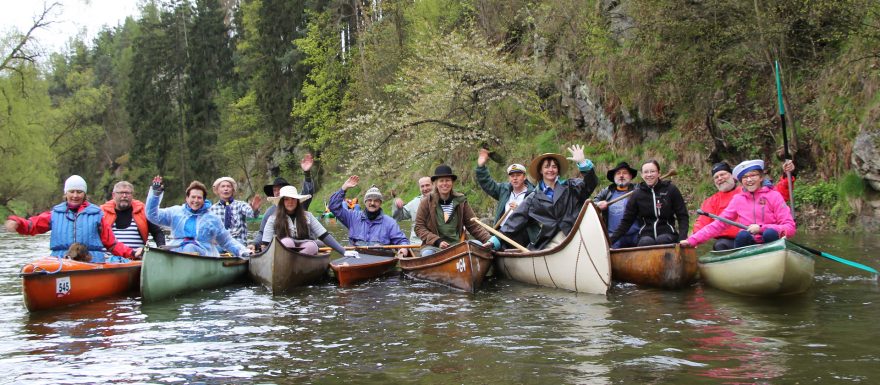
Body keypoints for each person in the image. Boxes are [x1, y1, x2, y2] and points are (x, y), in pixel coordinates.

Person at [4, 175, 141, 263]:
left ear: (84, 194)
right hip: (61, 262)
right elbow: (31, 225)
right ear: (66, 193)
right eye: (72, 191)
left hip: (91, 263)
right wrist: (16, 221)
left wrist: (133, 253)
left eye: (79, 192)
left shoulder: (97, 215)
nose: (75, 195)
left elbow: (112, 244)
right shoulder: (55, 214)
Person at [494, 144, 599, 250]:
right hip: (549, 243)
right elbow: (515, 220)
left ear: (558, 170)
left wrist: (583, 163)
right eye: (547, 166)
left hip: (576, 236)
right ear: (541, 171)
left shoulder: (571, 187)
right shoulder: (532, 198)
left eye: (554, 166)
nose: (551, 170)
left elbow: (590, 184)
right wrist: (496, 239)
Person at [682, 159, 796, 249]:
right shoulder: (737, 200)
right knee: (741, 236)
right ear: (741, 182)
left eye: (753, 175)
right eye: (745, 177)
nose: (749, 180)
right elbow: (717, 225)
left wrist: (761, 228)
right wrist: (692, 241)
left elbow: (790, 227)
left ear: (761, 177)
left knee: (769, 233)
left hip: (770, 240)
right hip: (745, 242)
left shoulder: (773, 195)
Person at [146, 176, 249, 257]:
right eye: (193, 197)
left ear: (204, 200)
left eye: (199, 198)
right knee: (161, 250)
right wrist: (156, 193)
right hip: (177, 250)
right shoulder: (175, 212)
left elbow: (226, 241)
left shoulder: (212, 219)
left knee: (189, 247)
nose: (196, 201)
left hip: (203, 254)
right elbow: (152, 215)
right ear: (187, 198)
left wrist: (242, 251)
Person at [414, 165, 492, 256]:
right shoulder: (426, 202)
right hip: (433, 245)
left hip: (459, 244)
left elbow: (473, 226)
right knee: (427, 254)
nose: (444, 183)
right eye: (441, 181)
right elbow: (419, 227)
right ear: (435, 183)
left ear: (452, 182)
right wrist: (437, 241)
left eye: (447, 180)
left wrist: (489, 240)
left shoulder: (461, 200)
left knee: (479, 246)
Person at [609, 160, 688, 247]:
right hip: (645, 235)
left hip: (668, 233)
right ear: (642, 175)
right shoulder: (637, 194)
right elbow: (626, 222)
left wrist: (682, 238)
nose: (649, 175)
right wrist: (610, 242)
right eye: (646, 172)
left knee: (662, 240)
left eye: (652, 171)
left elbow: (682, 216)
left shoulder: (671, 189)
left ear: (659, 173)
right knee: (646, 242)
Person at [261, 185, 355, 258]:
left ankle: (297, 266)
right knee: (287, 242)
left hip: (305, 250)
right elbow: (265, 244)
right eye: (286, 199)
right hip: (282, 253)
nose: (290, 202)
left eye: (293, 198)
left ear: (297, 201)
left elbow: (324, 235)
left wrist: (343, 251)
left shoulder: (308, 216)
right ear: (282, 202)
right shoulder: (273, 218)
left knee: (312, 246)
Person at [329, 176, 411, 257]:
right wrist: (344, 188)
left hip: (379, 261)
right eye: (369, 200)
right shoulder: (352, 217)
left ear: (380, 203)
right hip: (355, 258)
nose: (372, 203)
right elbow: (333, 206)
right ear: (365, 202)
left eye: (376, 200)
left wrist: (403, 248)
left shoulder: (390, 223)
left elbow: (401, 240)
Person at [252, 154, 317, 249]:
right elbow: (262, 233)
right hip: (281, 248)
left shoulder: (297, 204)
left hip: (303, 245)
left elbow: (308, 191)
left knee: (310, 246)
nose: (277, 192)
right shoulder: (270, 213)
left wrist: (307, 173)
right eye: (275, 190)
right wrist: (254, 244)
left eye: (280, 189)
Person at [475, 147, 535, 231]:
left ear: (524, 177)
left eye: (518, 175)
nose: (515, 178)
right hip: (501, 232)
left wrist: (520, 211)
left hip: (522, 235)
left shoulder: (533, 195)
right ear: (509, 178)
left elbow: (536, 217)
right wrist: (481, 167)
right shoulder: (503, 190)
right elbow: (487, 183)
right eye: (512, 176)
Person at [101, 181, 166, 249]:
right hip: (107, 258)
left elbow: (157, 232)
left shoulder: (143, 211)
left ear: (132, 195)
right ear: (113, 195)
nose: (124, 196)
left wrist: (161, 248)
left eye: (127, 193)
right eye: (121, 193)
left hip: (136, 258)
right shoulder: (102, 212)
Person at [592, 161, 639, 248]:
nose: (621, 175)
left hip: (635, 235)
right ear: (614, 177)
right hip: (614, 237)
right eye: (618, 173)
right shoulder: (607, 191)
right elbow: (592, 204)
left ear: (630, 176)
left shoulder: (638, 190)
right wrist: (598, 204)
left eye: (625, 173)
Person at [208, 176, 262, 246]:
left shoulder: (241, 205)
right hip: (220, 244)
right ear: (218, 190)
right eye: (223, 186)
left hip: (238, 243)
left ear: (233, 190)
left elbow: (251, 214)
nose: (226, 189)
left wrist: (254, 209)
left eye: (228, 186)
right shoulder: (212, 209)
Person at [392, 176, 433, 244]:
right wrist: (397, 207)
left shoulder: (442, 201)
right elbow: (398, 217)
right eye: (422, 186)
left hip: (436, 243)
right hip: (417, 243)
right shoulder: (414, 203)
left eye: (427, 185)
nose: (425, 188)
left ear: (434, 185)